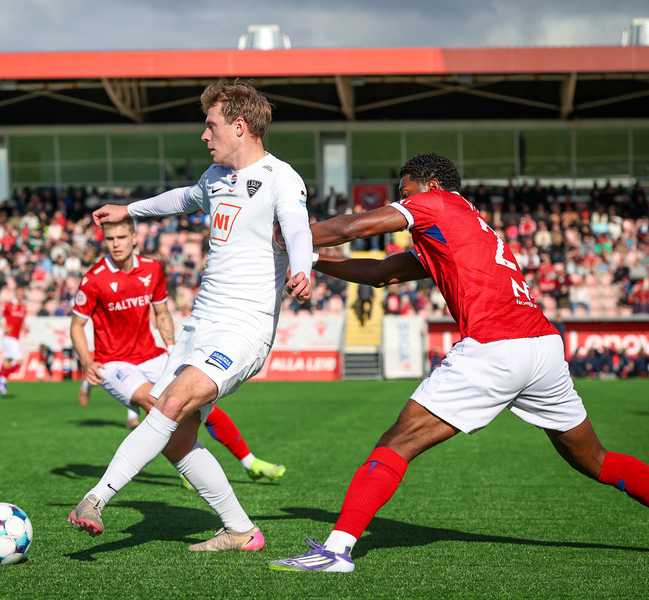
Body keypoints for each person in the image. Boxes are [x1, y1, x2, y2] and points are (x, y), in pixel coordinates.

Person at [269, 153, 649, 573]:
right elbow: (382, 274)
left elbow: (352, 228)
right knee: (595, 460)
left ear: (431, 185)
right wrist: (314, 260)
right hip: (542, 346)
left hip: (497, 345)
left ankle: (336, 551)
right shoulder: (463, 226)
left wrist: (287, 236)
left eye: (406, 191)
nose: (402, 199)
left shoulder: (436, 204)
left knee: (396, 443)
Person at [68, 80, 313, 552]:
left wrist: (301, 268)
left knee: (170, 405)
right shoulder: (215, 177)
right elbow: (180, 199)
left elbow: (299, 229)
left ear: (239, 127)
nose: (204, 135)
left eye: (211, 125)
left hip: (244, 327)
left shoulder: (281, 177)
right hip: (199, 325)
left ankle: (95, 499)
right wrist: (128, 210)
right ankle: (241, 531)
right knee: (176, 440)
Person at [70, 216, 287, 485]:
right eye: (111, 239)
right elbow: (77, 325)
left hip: (152, 354)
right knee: (157, 404)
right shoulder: (93, 279)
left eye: (122, 238)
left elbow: (161, 313)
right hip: (114, 364)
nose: (116, 244)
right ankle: (188, 465)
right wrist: (87, 360)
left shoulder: (151, 269)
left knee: (202, 403)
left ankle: (250, 462)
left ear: (134, 238)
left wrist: (172, 349)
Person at [0, 284, 28, 400]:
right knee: (20, 362)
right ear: (16, 294)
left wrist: (25, 327)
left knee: (7, 364)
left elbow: (20, 322)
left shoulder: (23, 308)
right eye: (19, 293)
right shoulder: (9, 305)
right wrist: (3, 327)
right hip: (9, 338)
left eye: (22, 294)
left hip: (15, 338)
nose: (20, 295)